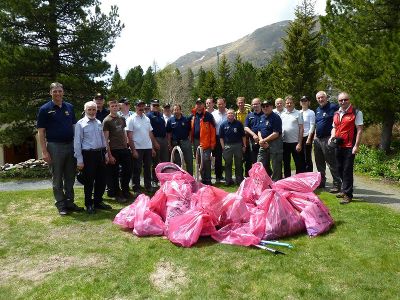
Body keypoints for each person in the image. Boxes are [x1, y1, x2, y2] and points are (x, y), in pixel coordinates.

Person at [37, 82, 84, 216]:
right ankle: (61, 204)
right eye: (55, 91)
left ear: (63, 92)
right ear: (50, 93)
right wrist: (44, 151)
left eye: (60, 91)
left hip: (70, 145)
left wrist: (78, 146)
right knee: (57, 177)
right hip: (54, 146)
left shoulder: (69, 107)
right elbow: (40, 132)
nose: (57, 93)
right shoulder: (44, 109)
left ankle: (70, 202)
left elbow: (75, 127)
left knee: (70, 176)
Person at [74, 101, 112, 214]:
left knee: (101, 179)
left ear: (96, 110)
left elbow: (103, 140)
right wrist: (79, 160)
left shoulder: (99, 122)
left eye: (93, 109)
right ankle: (89, 204)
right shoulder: (80, 124)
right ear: (85, 110)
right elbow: (77, 143)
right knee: (89, 181)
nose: (91, 111)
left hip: (99, 153)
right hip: (88, 155)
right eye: (89, 109)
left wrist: (105, 154)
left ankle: (98, 201)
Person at [330, 92, 363, 204]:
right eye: (341, 100)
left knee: (347, 170)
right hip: (338, 145)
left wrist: (356, 146)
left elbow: (359, 130)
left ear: (349, 100)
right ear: (338, 101)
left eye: (345, 99)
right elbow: (334, 127)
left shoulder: (356, 112)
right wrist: (332, 137)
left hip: (349, 146)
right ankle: (344, 190)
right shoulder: (336, 113)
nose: (343, 102)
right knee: (339, 168)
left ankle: (348, 195)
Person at [103, 99, 133, 203]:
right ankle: (117, 193)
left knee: (128, 171)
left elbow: (124, 133)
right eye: (113, 106)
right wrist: (109, 155)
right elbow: (105, 139)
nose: (115, 108)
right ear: (109, 108)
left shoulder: (122, 118)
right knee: (114, 174)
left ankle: (125, 190)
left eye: (116, 106)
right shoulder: (107, 120)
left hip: (124, 149)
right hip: (113, 150)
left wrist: (126, 145)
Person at [126, 99, 159, 193]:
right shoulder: (131, 119)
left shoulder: (147, 118)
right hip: (137, 148)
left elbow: (150, 133)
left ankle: (148, 186)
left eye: (142, 106)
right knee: (137, 169)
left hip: (147, 148)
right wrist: (133, 150)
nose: (141, 108)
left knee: (147, 168)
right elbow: (129, 136)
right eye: (139, 106)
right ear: (135, 107)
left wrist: (152, 147)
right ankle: (136, 187)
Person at [314, 91, 341, 192]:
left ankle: (337, 184)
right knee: (319, 162)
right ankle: (321, 182)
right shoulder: (317, 109)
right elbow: (317, 124)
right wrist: (315, 136)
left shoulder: (333, 107)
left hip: (328, 138)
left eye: (322, 97)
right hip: (318, 139)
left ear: (326, 97)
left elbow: (339, 121)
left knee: (331, 162)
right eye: (318, 98)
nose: (320, 99)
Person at [190, 98, 216, 185]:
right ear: (195, 105)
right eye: (197, 104)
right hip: (196, 142)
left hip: (206, 142)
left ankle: (208, 180)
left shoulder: (208, 116)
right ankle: (202, 179)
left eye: (200, 104)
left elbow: (213, 131)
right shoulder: (192, 116)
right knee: (199, 161)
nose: (199, 105)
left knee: (206, 161)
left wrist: (212, 143)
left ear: (203, 105)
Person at [257, 100, 283, 181]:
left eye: (267, 106)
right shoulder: (261, 117)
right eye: (263, 106)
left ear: (272, 107)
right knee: (260, 162)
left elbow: (276, 133)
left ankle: (276, 182)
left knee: (276, 164)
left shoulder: (276, 117)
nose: (265, 108)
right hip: (263, 143)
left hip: (275, 143)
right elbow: (259, 131)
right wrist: (261, 140)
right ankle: (263, 181)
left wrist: (264, 140)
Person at [219, 108, 246, 186]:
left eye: (232, 113)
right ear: (226, 115)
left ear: (234, 115)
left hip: (238, 145)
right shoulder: (223, 124)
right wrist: (223, 146)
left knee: (239, 163)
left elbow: (243, 136)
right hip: (227, 146)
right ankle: (228, 180)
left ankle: (239, 180)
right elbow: (221, 137)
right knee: (228, 164)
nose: (230, 114)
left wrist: (244, 145)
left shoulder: (239, 124)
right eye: (229, 113)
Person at [166, 104, 193, 175]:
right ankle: (179, 178)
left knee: (189, 161)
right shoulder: (170, 120)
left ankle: (190, 178)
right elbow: (168, 134)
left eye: (177, 109)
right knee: (177, 162)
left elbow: (190, 130)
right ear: (173, 111)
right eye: (175, 110)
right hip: (175, 143)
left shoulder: (186, 119)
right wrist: (169, 144)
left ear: (180, 110)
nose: (176, 111)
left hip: (185, 142)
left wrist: (189, 139)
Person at [281, 95, 304, 177]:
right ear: (285, 104)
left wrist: (300, 143)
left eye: (291, 103)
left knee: (298, 163)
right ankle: (288, 180)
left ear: (294, 104)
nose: (289, 104)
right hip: (285, 142)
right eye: (287, 103)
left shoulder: (298, 113)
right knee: (286, 162)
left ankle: (298, 180)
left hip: (295, 142)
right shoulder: (282, 114)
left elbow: (301, 128)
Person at [147, 99, 169, 185]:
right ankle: (154, 180)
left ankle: (164, 179)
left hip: (163, 139)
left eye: (157, 105)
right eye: (154, 105)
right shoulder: (148, 116)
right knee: (155, 162)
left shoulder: (160, 115)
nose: (156, 107)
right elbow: (149, 131)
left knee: (165, 161)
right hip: (155, 139)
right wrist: (154, 143)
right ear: (151, 106)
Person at [212, 98, 228, 183]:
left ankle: (228, 176)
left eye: (221, 104)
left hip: (227, 138)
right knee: (218, 158)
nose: (220, 106)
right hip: (217, 138)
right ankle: (218, 176)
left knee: (227, 157)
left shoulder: (229, 113)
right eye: (218, 104)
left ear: (225, 104)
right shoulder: (213, 114)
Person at [235, 96, 251, 177]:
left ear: (244, 103)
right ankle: (239, 176)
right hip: (239, 139)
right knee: (239, 158)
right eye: (239, 102)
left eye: (242, 102)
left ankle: (248, 175)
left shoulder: (249, 112)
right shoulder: (235, 114)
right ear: (237, 103)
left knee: (248, 158)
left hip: (248, 138)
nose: (240, 104)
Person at [244, 98, 263, 165]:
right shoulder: (249, 115)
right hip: (253, 140)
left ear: (260, 104)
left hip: (264, 139)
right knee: (254, 159)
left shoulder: (265, 114)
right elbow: (246, 127)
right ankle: (256, 174)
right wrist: (253, 135)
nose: (255, 105)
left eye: (256, 104)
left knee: (264, 159)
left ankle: (266, 174)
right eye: (253, 104)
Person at [300, 96, 316, 172]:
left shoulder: (311, 112)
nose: (304, 102)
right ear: (300, 102)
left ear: (308, 102)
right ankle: (302, 173)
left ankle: (310, 174)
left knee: (307, 157)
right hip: (299, 137)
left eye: (305, 100)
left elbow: (312, 125)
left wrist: (309, 138)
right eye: (302, 101)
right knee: (300, 156)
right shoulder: (298, 112)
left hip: (307, 136)